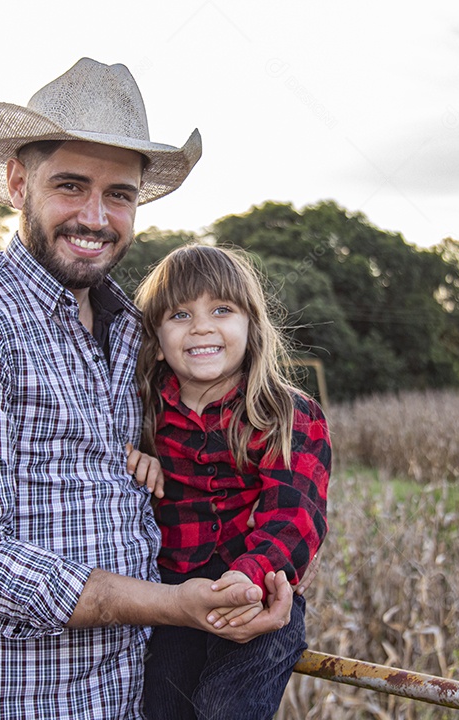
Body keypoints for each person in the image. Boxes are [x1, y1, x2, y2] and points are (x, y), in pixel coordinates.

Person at [0, 58, 294, 720]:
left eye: (119, 194)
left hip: (125, 697)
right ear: (18, 183)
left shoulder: (135, 332)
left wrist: (263, 576)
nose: (95, 217)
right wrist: (176, 603)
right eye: (71, 186)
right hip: (7, 701)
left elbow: (205, 467)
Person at [129, 244, 332, 720]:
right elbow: (86, 457)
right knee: (161, 708)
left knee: (226, 708)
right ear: (157, 340)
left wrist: (248, 580)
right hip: (173, 596)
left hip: (258, 595)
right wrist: (131, 457)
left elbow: (296, 516)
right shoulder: (142, 411)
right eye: (180, 314)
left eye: (222, 310)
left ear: (250, 327)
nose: (202, 326)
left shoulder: (286, 414)